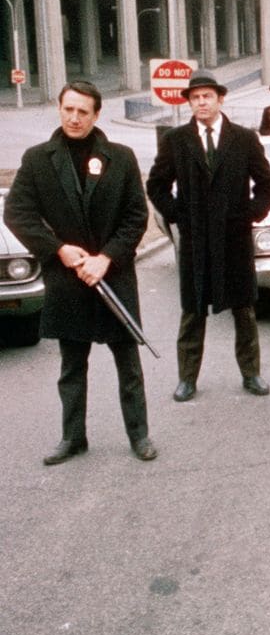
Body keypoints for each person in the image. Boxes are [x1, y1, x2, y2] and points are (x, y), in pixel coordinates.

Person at [5, 81, 158, 464]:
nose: (74, 118)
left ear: (96, 115)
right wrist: (60, 250)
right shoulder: (38, 159)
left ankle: (139, 436)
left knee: (128, 364)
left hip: (113, 277)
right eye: (68, 109)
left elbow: (136, 217)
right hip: (68, 279)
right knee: (72, 366)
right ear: (59, 108)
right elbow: (17, 213)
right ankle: (73, 438)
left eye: (83, 112)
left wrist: (105, 258)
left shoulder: (120, 158)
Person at [147, 73, 270, 403]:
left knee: (244, 310)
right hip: (195, 240)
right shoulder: (177, 140)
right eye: (195, 98)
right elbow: (156, 185)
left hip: (234, 239)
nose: (201, 103)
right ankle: (187, 379)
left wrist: (250, 214)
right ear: (189, 103)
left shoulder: (244, 138)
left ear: (221, 99)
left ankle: (251, 373)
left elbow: (266, 185)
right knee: (192, 309)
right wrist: (178, 214)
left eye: (207, 96)